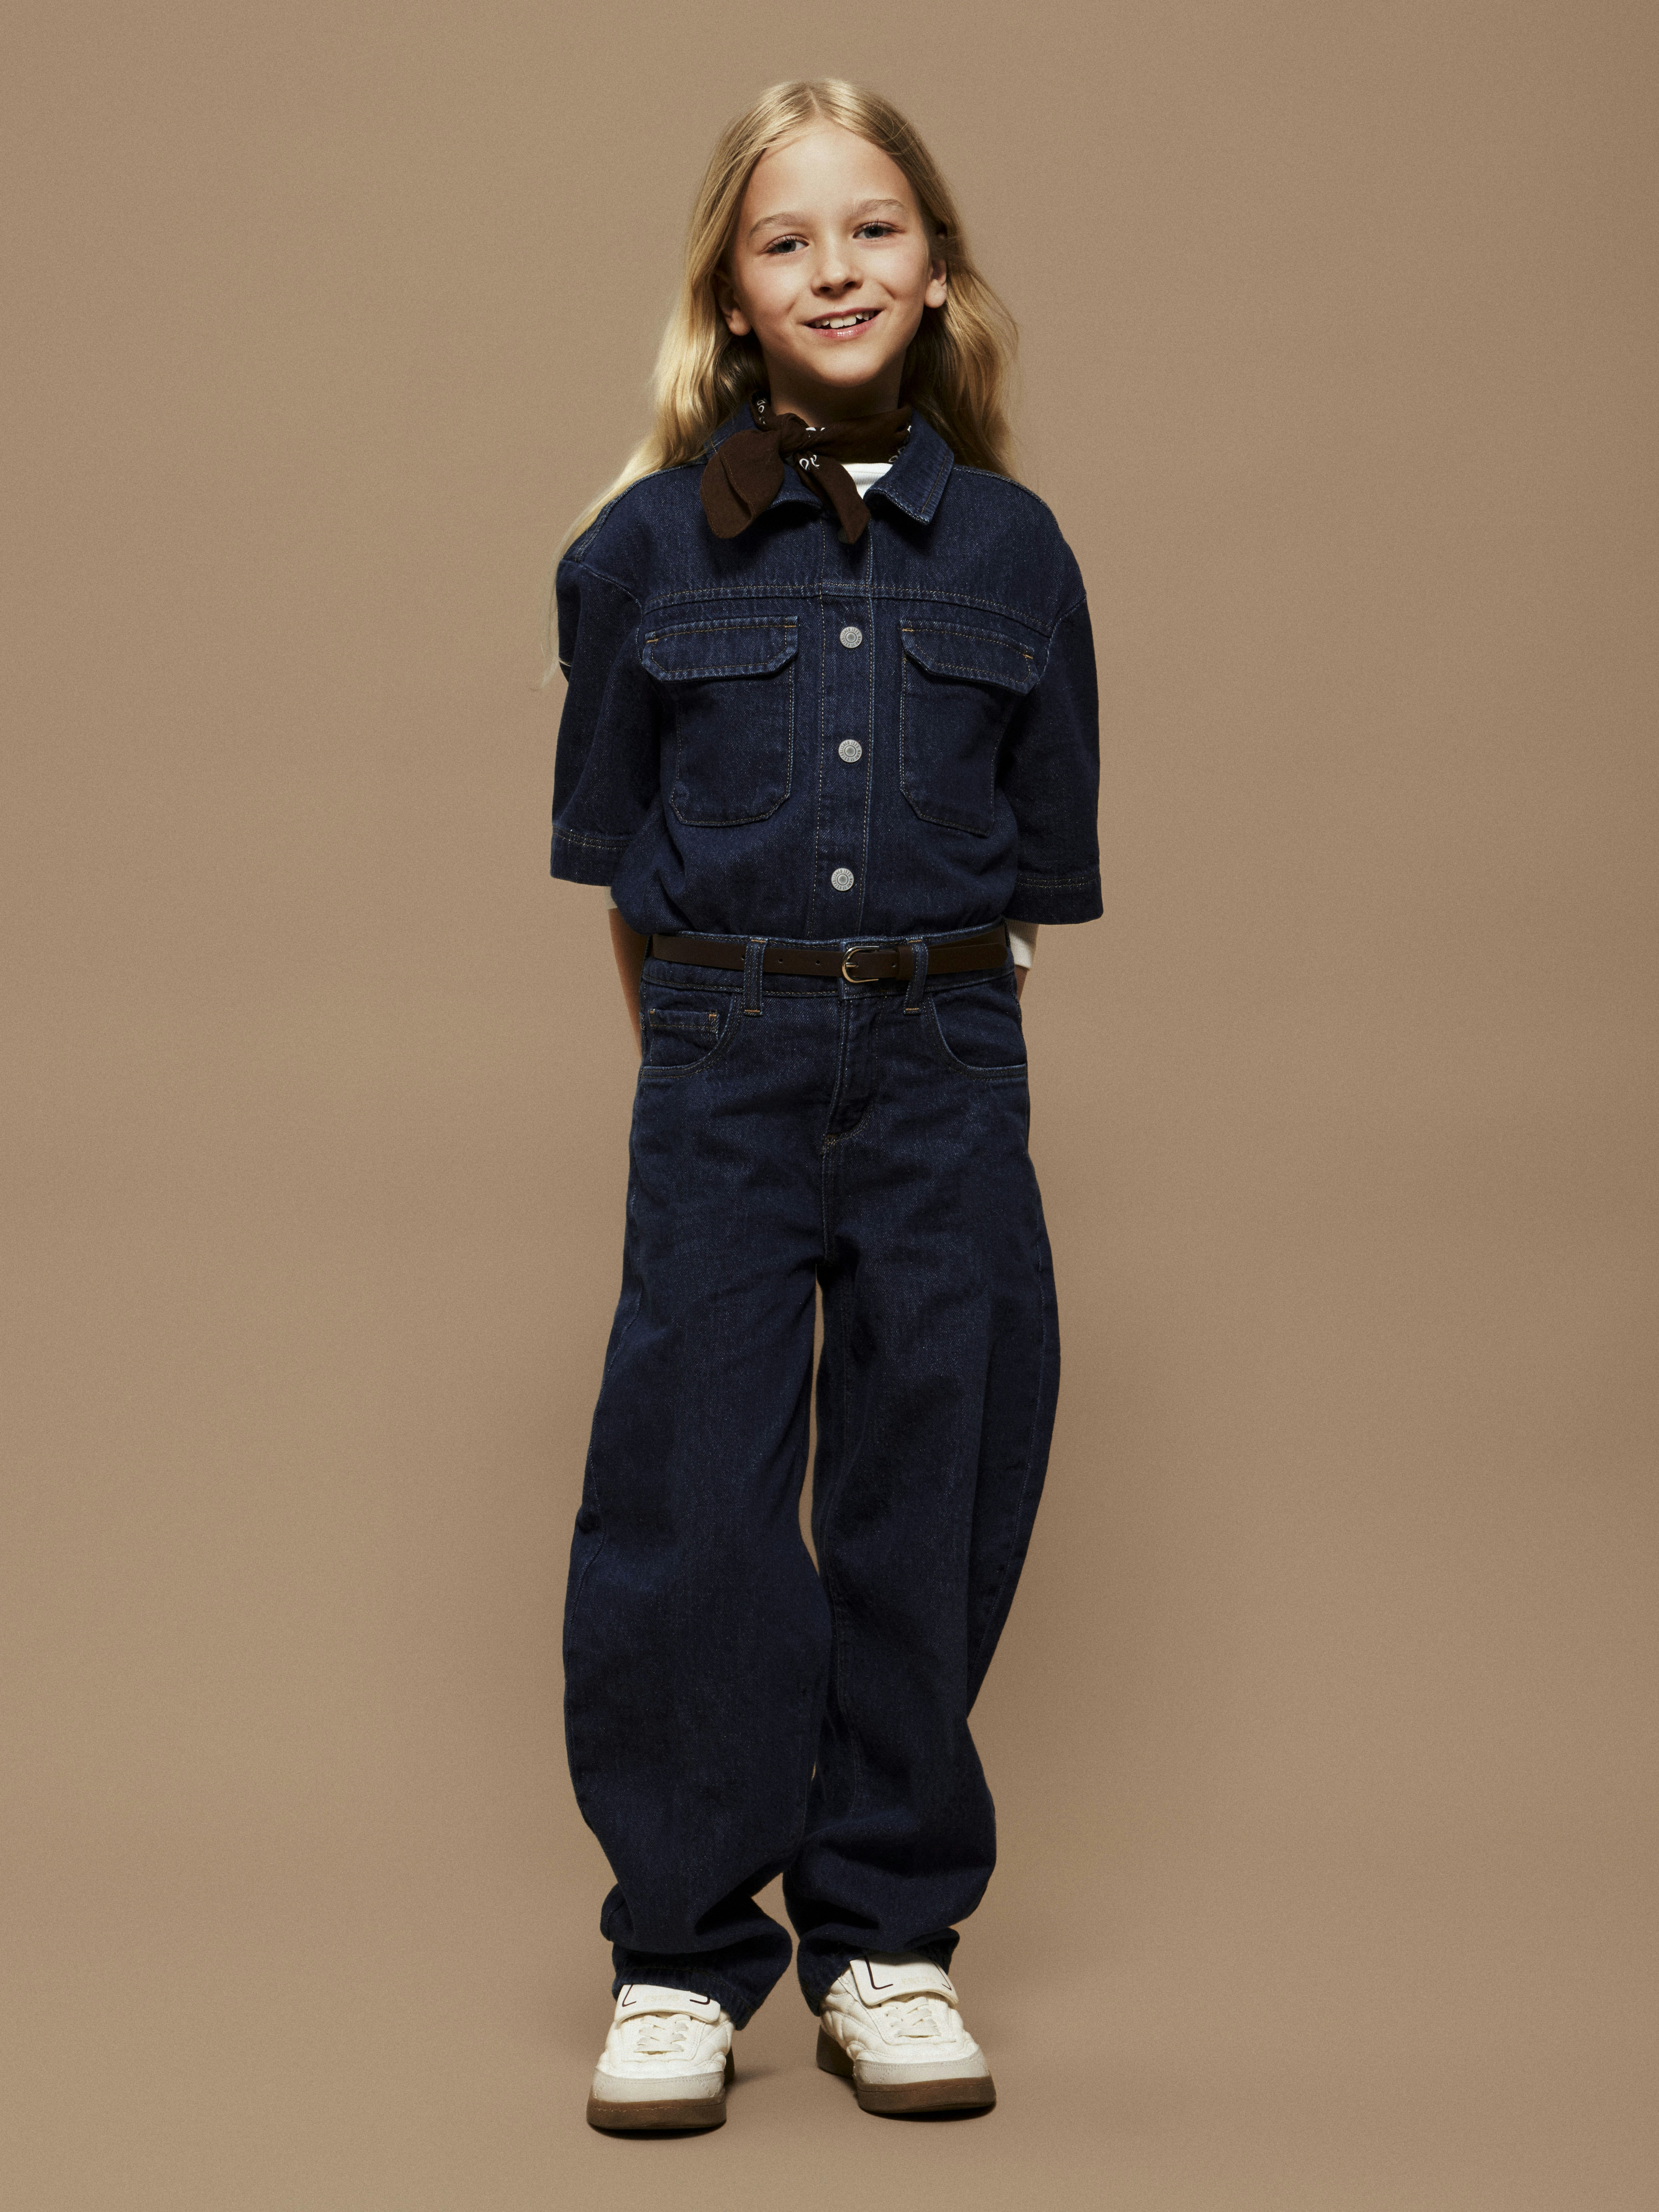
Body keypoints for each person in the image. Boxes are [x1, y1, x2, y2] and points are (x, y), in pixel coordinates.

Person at [544, 78, 1102, 2132]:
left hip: (947, 1068)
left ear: (935, 269)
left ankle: (887, 1932)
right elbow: (622, 868)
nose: (836, 269)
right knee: (689, 1492)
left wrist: (936, 1042)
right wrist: (714, 1052)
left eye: (874, 230)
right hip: (726, 1058)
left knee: (930, 1473)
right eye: (787, 241)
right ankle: (680, 1952)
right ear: (731, 293)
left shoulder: (1018, 554)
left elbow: (1034, 880)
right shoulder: (636, 554)